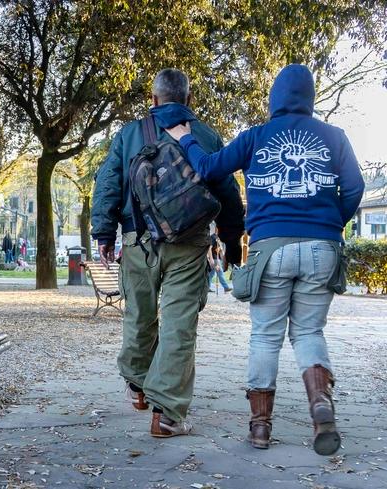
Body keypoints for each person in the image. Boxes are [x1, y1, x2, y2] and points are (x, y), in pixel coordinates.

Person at [167, 64, 365, 455]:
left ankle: (260, 428)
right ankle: (321, 404)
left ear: (274, 99)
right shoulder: (335, 137)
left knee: (265, 336)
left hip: (270, 249)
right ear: (309, 98)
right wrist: (329, 225)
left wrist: (186, 138)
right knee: (309, 333)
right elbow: (355, 187)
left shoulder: (256, 136)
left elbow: (208, 168)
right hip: (323, 249)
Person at [91, 68, 246, 437]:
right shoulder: (204, 135)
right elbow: (227, 190)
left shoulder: (129, 134)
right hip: (190, 244)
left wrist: (104, 233)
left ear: (154, 99)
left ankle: (137, 384)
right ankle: (167, 415)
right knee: (179, 325)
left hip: (138, 240)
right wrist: (230, 238)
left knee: (139, 315)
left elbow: (108, 182)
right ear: (188, 99)